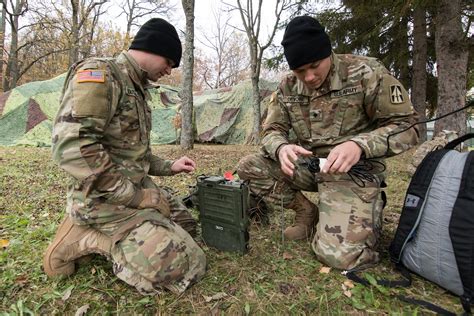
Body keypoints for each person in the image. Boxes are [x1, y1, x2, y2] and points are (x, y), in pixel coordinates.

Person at [237, 16, 419, 270]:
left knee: (341, 257)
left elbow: (409, 126)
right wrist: (281, 147)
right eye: (300, 71)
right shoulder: (288, 87)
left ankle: (355, 216)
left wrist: (361, 145)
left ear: (328, 53)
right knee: (249, 166)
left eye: (315, 66)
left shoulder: (366, 72)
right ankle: (307, 213)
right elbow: (271, 130)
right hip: (310, 168)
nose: (309, 77)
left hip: (352, 174)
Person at [43, 18, 206, 295]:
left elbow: (132, 154)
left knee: (189, 227)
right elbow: (73, 148)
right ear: (153, 47)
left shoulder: (138, 88)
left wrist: (169, 166)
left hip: (134, 190)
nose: (168, 71)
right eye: (168, 62)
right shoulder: (100, 74)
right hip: (103, 199)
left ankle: (138, 231)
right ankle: (84, 236)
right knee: (182, 266)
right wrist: (136, 198)